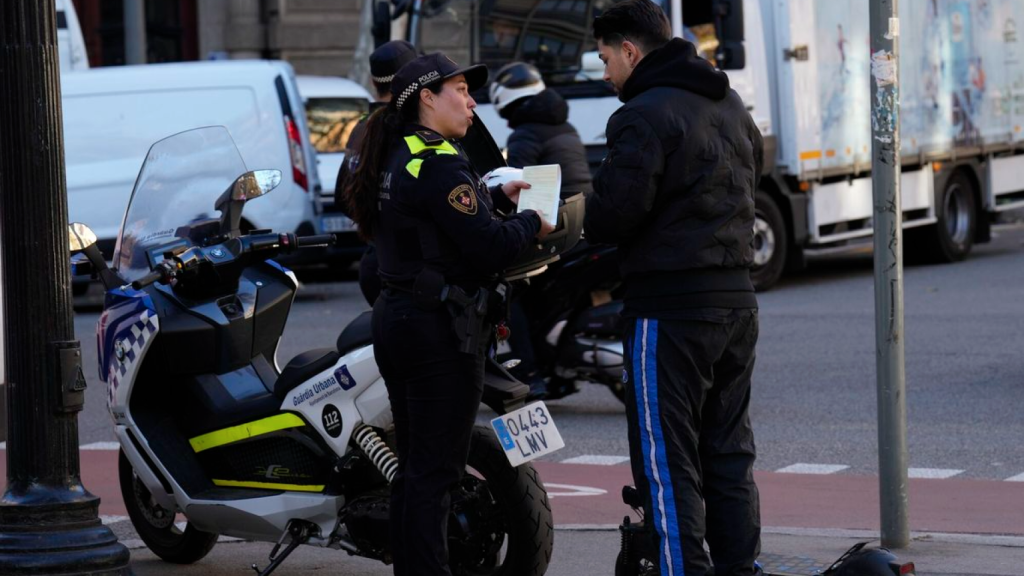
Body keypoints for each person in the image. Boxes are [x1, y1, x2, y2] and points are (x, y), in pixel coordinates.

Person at [342, 52, 554, 576]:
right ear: (427, 99)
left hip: (400, 319)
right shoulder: (439, 160)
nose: (472, 101)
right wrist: (531, 220)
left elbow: (434, 225)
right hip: (440, 332)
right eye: (460, 90)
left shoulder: (396, 150)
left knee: (414, 469)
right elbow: (489, 247)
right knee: (435, 474)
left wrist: (489, 195)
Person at [583, 1, 765, 575]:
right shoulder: (729, 102)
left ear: (630, 51)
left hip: (670, 309)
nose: (606, 72)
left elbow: (615, 213)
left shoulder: (641, 114)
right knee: (729, 455)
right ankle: (741, 569)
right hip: (737, 301)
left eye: (606, 58)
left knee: (667, 463)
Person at [334, 40, 419, 305]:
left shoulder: (361, 127)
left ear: (373, 82)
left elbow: (342, 195)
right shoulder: (412, 127)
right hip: (407, 268)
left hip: (373, 259)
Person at [489, 61, 594, 197]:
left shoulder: (525, 135)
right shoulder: (567, 127)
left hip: (556, 211)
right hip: (584, 204)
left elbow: (517, 187)